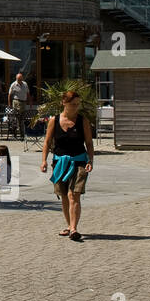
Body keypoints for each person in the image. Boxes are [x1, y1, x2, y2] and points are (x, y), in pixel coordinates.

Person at [40, 90, 94, 241]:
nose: (75, 107)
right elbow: (47, 142)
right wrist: (44, 160)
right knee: (64, 195)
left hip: (79, 162)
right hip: (60, 163)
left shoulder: (83, 121)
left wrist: (90, 160)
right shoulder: (54, 121)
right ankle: (70, 226)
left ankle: (74, 229)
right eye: (72, 104)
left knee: (73, 194)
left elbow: (89, 143)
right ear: (64, 103)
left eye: (77, 104)